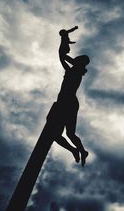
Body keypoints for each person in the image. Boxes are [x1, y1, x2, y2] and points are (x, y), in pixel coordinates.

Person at [52, 26, 89, 166]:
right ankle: (79, 150)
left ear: (79, 62)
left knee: (57, 134)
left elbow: (63, 57)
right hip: (68, 102)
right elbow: (65, 57)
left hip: (67, 103)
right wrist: (64, 39)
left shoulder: (73, 72)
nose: (76, 57)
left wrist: (63, 39)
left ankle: (76, 150)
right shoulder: (75, 71)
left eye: (78, 58)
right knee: (68, 134)